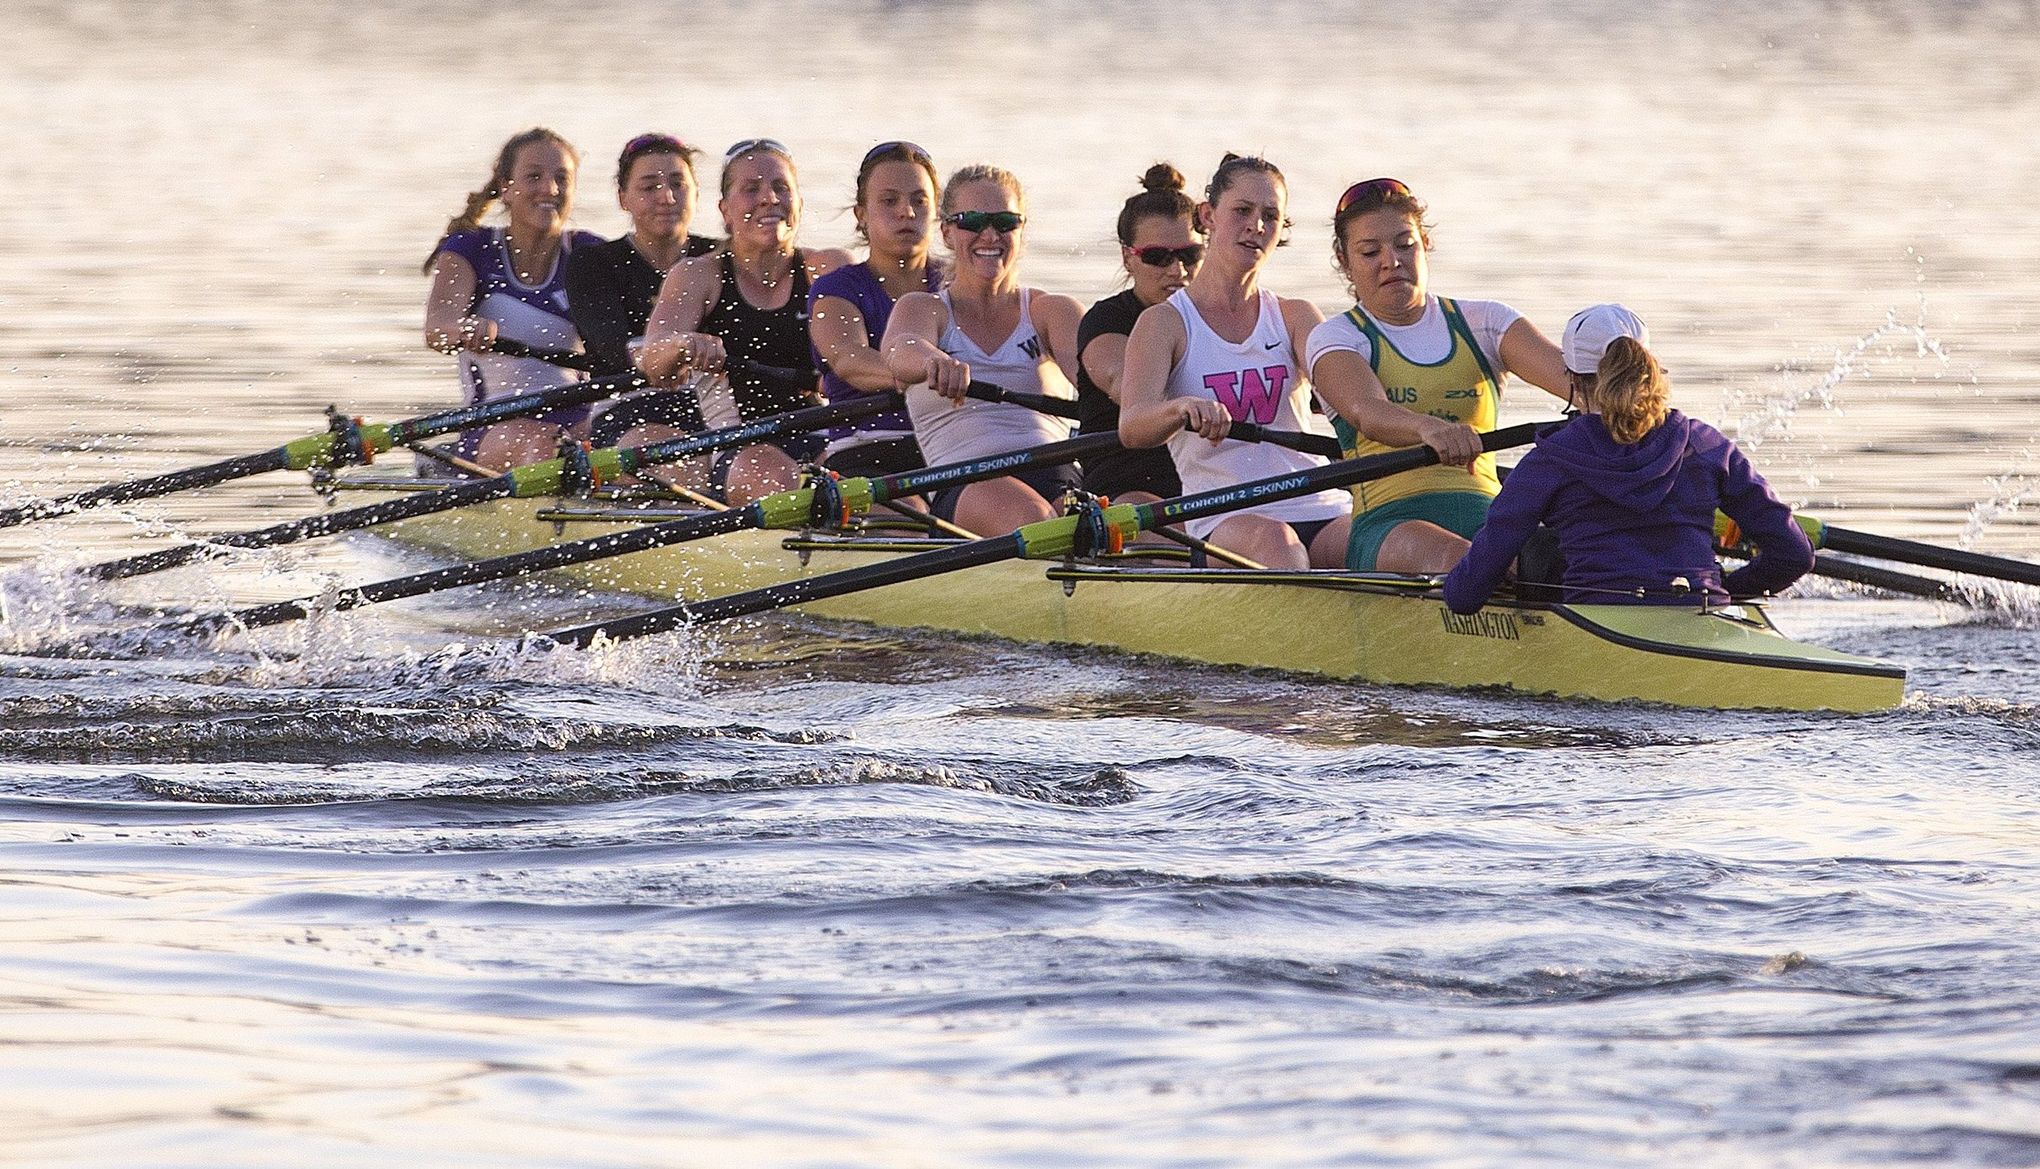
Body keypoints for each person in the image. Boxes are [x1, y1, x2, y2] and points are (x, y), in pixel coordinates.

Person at [1442, 305, 1814, 612]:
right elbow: (1795, 555)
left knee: (1538, 549)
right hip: (1701, 608)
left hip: (1595, 622)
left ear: (1572, 378)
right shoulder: (1706, 446)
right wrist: (1724, 592)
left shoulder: (1549, 461)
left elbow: (1465, 595)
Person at [1304, 177, 1573, 573]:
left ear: (1425, 245)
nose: (1390, 261)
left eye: (1404, 244)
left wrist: (1626, 387)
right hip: (1389, 527)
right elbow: (1366, 410)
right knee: (1463, 560)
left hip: (1489, 517)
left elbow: (1574, 382)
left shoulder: (1486, 322)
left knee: (1570, 556)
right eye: (1369, 251)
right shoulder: (1336, 337)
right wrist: (1428, 428)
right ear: (1345, 262)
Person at [1116, 154, 1352, 569]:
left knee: (1390, 536)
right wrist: (1179, 408)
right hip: (1227, 513)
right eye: (1242, 211)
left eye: (1270, 216)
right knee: (1279, 547)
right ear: (1207, 216)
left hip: (1319, 501)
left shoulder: (1297, 316)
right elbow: (1133, 426)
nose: (1256, 226)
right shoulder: (1164, 323)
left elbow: (1353, 402)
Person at [629, 139, 851, 504]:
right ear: (725, 211)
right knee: (781, 478)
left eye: (781, 188)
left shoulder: (827, 269)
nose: (769, 199)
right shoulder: (698, 275)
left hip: (822, 438)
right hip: (737, 446)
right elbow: (652, 360)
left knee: (881, 484)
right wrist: (683, 345)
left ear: (799, 204)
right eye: (752, 189)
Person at [880, 165, 1084, 535]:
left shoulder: (1052, 311)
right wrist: (935, 361)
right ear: (946, 232)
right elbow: (898, 350)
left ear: (1022, 231)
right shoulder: (923, 309)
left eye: (1005, 222)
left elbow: (1096, 376)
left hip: (1056, 473)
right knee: (1035, 521)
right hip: (966, 477)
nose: (990, 235)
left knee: (1079, 528)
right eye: (972, 221)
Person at [421, 127, 601, 470]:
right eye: (534, 177)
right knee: (543, 446)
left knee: (626, 440)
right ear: (506, 188)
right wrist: (464, 329)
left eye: (562, 178)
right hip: (492, 423)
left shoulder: (589, 253)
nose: (550, 189)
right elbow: (437, 329)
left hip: (579, 422)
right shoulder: (470, 249)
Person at [806, 141, 945, 478]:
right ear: (862, 215)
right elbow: (849, 360)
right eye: (889, 201)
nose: (907, 212)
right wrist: (935, 371)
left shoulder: (957, 285)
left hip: (951, 443)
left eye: (919, 201)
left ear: (936, 212)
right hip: (868, 446)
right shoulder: (835, 289)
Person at [1074, 164, 1197, 504]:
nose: (1178, 271)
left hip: (1207, 484)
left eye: (1190, 254)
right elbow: (1124, 386)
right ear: (1128, 258)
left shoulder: (1223, 319)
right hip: (1131, 487)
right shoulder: (1106, 321)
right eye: (1158, 257)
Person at [564, 133, 720, 377]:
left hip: (711, 400)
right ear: (623, 198)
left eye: (677, 185)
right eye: (649, 187)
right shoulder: (593, 263)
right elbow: (612, 349)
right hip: (627, 398)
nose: (667, 198)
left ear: (696, 194)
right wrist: (673, 352)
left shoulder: (720, 258)